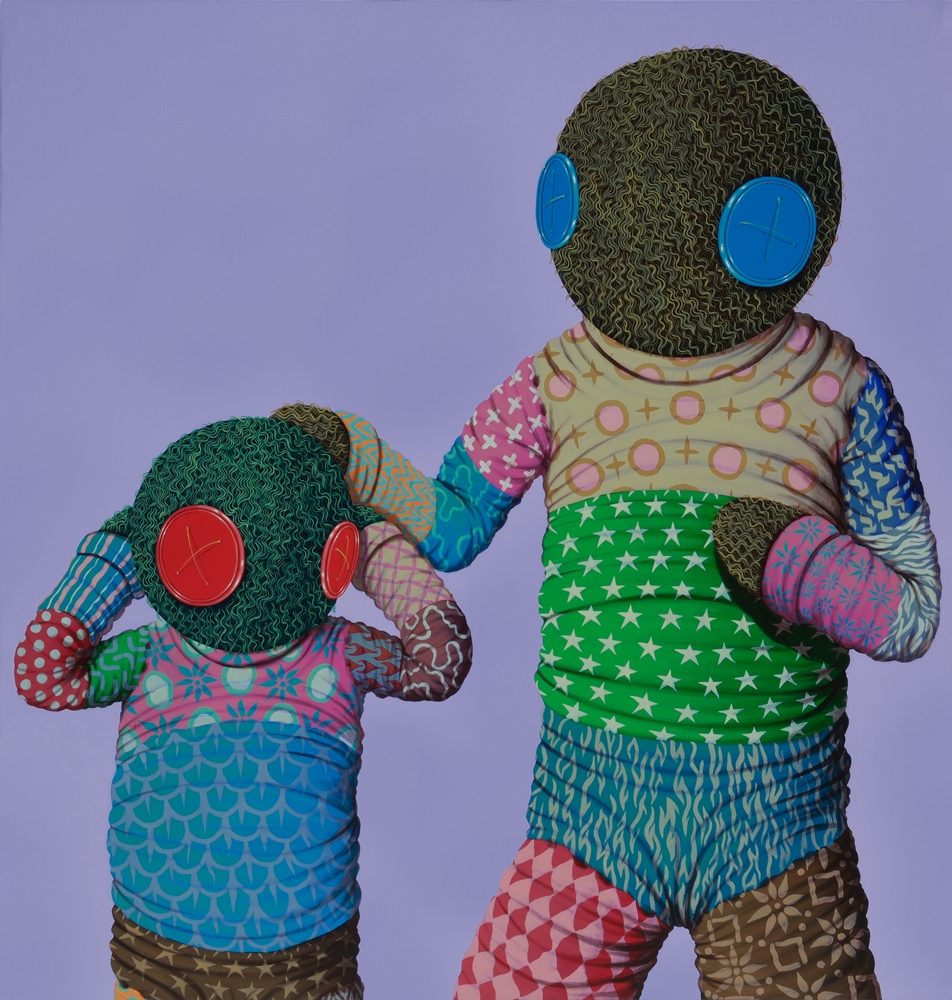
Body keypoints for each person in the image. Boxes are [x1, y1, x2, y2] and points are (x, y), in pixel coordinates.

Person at [308, 49, 939, 998]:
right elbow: (450, 526)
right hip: (588, 815)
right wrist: (351, 456)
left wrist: (797, 562)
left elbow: (911, 613)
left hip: (781, 831)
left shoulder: (843, 387)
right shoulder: (551, 381)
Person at [14, 405, 472, 1000]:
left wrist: (120, 548)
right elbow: (440, 658)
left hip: (167, 959)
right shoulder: (342, 654)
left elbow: (43, 672)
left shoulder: (149, 654)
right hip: (293, 964)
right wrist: (373, 544)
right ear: (333, 554)